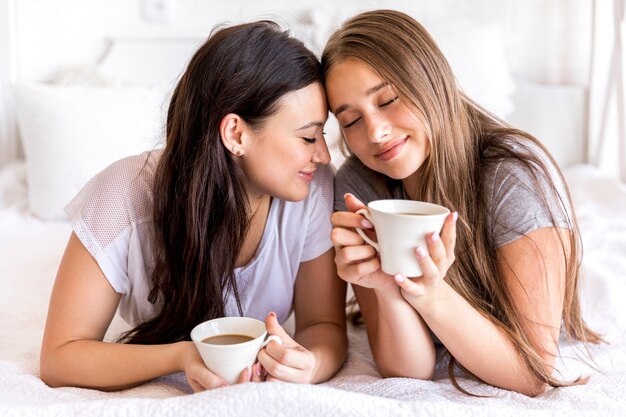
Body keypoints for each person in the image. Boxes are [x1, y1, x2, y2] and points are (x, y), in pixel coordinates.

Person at [40, 21, 348, 392]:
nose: (324, 154)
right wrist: (181, 356)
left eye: (323, 135)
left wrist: (309, 364)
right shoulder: (120, 196)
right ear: (236, 134)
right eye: (308, 136)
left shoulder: (313, 188)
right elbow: (60, 358)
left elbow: (323, 326)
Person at [322, 9, 601, 397]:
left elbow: (534, 373)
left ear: (429, 81)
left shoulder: (513, 173)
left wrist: (432, 294)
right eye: (350, 121)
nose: (376, 132)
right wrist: (388, 289)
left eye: (387, 99)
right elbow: (407, 372)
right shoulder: (359, 183)